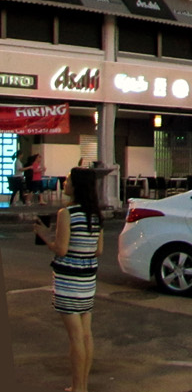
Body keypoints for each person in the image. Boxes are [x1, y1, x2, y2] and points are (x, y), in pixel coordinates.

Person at [33, 166, 102, 392]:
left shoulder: (67, 213)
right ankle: (82, 386)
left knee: (75, 338)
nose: (64, 182)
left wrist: (45, 236)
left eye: (68, 180)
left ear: (76, 186)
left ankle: (77, 387)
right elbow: (98, 249)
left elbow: (61, 249)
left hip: (68, 280)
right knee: (86, 334)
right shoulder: (95, 214)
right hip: (87, 280)